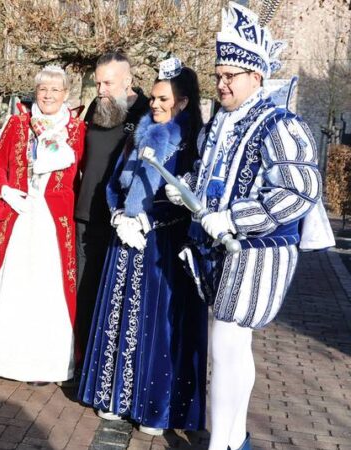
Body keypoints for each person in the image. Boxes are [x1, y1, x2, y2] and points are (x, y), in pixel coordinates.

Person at [167, 4, 334, 449]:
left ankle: (222, 442)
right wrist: (184, 189)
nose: (221, 83)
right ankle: (233, 438)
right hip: (220, 249)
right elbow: (209, 176)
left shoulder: (282, 124)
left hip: (258, 252)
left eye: (231, 75)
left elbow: (297, 193)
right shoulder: (220, 123)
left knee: (226, 345)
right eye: (219, 74)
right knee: (230, 347)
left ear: (256, 77)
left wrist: (236, 218)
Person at [78, 58, 207, 435]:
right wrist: (119, 212)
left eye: (163, 98)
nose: (155, 104)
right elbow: (115, 180)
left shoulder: (189, 140)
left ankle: (153, 407)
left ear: (182, 101)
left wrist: (149, 220)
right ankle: (116, 397)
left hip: (161, 246)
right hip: (126, 241)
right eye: (152, 97)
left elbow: (186, 196)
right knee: (121, 318)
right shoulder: (142, 132)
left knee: (156, 324)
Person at [0, 66, 85, 384]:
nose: (49, 95)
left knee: (46, 287)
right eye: (43, 89)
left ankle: (44, 362)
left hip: (53, 221)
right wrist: (7, 190)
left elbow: (78, 171)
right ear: (35, 91)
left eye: (55, 90)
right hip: (17, 214)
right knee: (10, 282)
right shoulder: (18, 122)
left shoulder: (75, 130)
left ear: (66, 94)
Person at [73, 52, 149, 375]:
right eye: (98, 82)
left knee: (114, 295)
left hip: (121, 221)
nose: (101, 89)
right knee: (82, 290)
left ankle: (105, 368)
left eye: (108, 82)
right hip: (85, 213)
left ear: (128, 81)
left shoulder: (146, 112)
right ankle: (78, 362)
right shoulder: (95, 107)